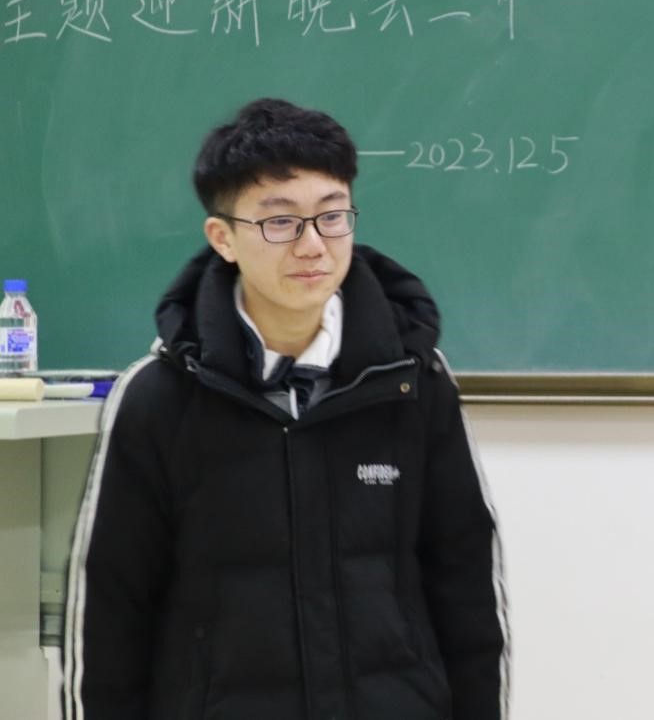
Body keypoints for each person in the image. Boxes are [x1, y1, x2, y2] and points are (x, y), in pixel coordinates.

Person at [62, 98, 509, 720]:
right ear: (223, 238)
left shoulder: (412, 381)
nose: (313, 245)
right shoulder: (161, 397)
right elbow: (111, 614)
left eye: (333, 216)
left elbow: (467, 587)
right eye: (280, 221)